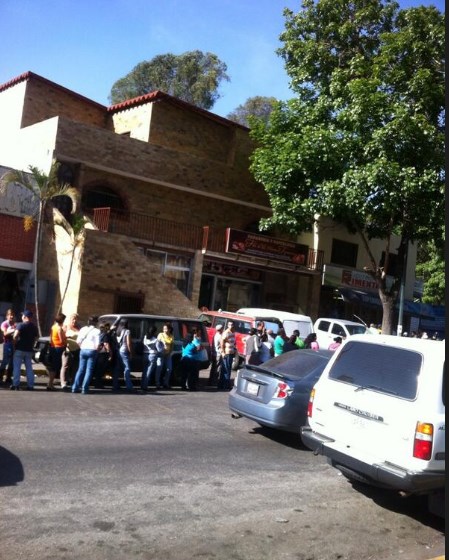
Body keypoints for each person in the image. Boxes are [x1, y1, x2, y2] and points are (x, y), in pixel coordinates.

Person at [71, 316, 101, 394]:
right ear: (96, 322)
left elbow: (78, 341)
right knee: (89, 370)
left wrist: (82, 347)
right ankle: (84, 388)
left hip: (83, 350)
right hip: (92, 350)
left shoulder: (83, 329)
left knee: (80, 369)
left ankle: (75, 387)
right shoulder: (97, 331)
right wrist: (97, 351)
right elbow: (98, 344)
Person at [11, 310, 38, 390]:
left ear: (25, 317)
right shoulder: (34, 327)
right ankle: (30, 385)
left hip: (19, 349)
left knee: (17, 367)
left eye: (23, 315)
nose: (22, 316)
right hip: (29, 350)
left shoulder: (20, 325)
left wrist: (14, 343)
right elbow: (37, 338)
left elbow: (15, 336)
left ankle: (15, 385)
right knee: (29, 368)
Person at [113, 319, 134, 392]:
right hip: (124, 351)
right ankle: (129, 386)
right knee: (127, 367)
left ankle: (115, 385)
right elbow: (128, 343)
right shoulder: (127, 331)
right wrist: (131, 352)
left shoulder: (117, 331)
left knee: (117, 368)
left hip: (118, 350)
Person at [48, 313, 67, 391]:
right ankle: (50, 384)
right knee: (55, 367)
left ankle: (50, 383)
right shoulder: (59, 328)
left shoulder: (53, 326)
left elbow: (50, 338)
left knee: (53, 366)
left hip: (53, 347)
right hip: (58, 348)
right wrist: (65, 341)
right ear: (62, 320)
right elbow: (62, 340)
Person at [141, 326, 164, 391]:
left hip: (145, 354)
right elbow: (159, 349)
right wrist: (162, 344)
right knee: (149, 371)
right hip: (152, 355)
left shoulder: (145, 337)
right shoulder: (155, 339)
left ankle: (142, 385)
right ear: (154, 332)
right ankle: (145, 386)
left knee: (144, 371)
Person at [61, 313, 81, 386]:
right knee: (65, 366)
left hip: (77, 350)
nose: (74, 321)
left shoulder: (79, 328)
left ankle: (73, 381)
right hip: (68, 349)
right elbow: (62, 337)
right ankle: (64, 383)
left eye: (76, 319)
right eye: (73, 319)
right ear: (70, 319)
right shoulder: (66, 327)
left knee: (75, 366)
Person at [93, 322, 113, 389]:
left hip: (97, 352)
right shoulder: (105, 335)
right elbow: (106, 344)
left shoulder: (99, 334)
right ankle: (98, 384)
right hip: (103, 353)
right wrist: (110, 354)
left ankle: (97, 383)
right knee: (101, 370)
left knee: (98, 369)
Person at [219, 320, 236, 390]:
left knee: (227, 369)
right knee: (226, 369)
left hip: (231, 353)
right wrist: (222, 352)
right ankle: (225, 385)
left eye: (232, 324)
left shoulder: (233, 332)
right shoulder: (226, 333)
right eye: (229, 324)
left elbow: (233, 342)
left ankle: (222, 385)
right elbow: (221, 343)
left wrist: (234, 349)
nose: (230, 326)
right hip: (227, 353)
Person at [0, 309, 16, 385]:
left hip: (14, 345)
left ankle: (8, 378)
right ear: (7, 316)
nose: (11, 316)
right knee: (5, 361)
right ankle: (0, 377)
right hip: (7, 344)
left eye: (12, 314)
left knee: (12, 362)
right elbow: (5, 333)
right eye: (9, 315)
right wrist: (14, 330)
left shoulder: (14, 324)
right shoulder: (4, 324)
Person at [156, 322, 174, 389]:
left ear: (169, 329)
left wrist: (170, 352)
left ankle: (166, 383)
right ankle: (157, 383)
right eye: (163, 329)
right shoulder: (160, 335)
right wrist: (160, 351)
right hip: (161, 354)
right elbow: (157, 344)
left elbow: (172, 345)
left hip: (168, 355)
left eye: (166, 329)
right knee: (159, 368)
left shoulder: (171, 336)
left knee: (169, 369)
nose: (164, 330)